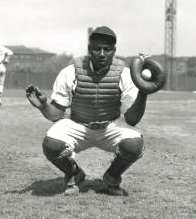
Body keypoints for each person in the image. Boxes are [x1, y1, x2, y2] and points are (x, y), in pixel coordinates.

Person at [26, 26, 148, 196]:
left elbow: (132, 120)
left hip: (110, 126)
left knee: (133, 146)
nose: (102, 53)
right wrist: (43, 106)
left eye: (107, 49)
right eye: (97, 49)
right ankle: (74, 174)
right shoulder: (70, 72)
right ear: (90, 49)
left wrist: (143, 92)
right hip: (78, 125)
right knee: (51, 145)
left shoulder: (125, 74)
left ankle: (112, 177)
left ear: (114, 51)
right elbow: (56, 115)